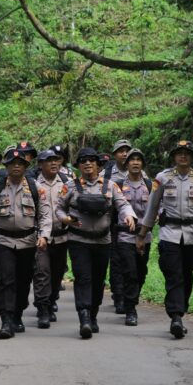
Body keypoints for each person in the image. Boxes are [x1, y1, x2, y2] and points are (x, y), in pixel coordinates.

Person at [136, 140, 193, 339]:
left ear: (192, 157)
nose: (183, 156)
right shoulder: (163, 178)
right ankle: (175, 317)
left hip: (191, 236)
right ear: (174, 156)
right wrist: (142, 235)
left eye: (187, 153)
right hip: (169, 234)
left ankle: (180, 311)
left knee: (187, 275)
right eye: (179, 153)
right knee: (174, 275)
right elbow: (152, 208)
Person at [56, 147, 136, 339]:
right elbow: (59, 208)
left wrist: (128, 216)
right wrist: (66, 219)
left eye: (92, 160)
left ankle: (93, 315)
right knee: (83, 278)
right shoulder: (70, 186)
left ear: (98, 165)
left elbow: (123, 204)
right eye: (83, 161)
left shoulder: (110, 186)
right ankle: (84, 316)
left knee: (99, 279)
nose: (87, 163)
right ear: (78, 166)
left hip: (103, 241)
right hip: (78, 241)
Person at [0, 148, 52, 338]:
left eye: (20, 164)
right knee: (6, 280)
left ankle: (17, 314)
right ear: (6, 167)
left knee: (23, 281)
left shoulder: (36, 188)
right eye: (12, 164)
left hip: (28, 242)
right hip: (3, 241)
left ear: (25, 167)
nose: (16, 167)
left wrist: (44, 236)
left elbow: (45, 215)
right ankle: (6, 320)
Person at [32, 149, 70, 326]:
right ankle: (42, 309)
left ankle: (52, 300)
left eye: (56, 160)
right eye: (49, 160)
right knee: (42, 272)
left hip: (61, 237)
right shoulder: (32, 184)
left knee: (57, 273)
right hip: (40, 237)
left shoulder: (67, 183)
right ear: (40, 164)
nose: (54, 163)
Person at [116, 148, 153, 326]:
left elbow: (159, 205)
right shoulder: (117, 185)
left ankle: (131, 298)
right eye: (132, 160)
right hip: (124, 235)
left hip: (145, 235)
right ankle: (130, 309)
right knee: (129, 271)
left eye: (139, 159)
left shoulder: (150, 185)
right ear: (126, 164)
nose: (135, 162)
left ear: (142, 164)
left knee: (140, 271)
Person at [103, 138, 133, 314]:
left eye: (127, 150)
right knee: (116, 260)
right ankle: (118, 295)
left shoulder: (139, 172)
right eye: (121, 151)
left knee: (131, 262)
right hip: (112, 223)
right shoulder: (107, 174)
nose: (124, 154)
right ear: (114, 154)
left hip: (131, 223)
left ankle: (129, 294)